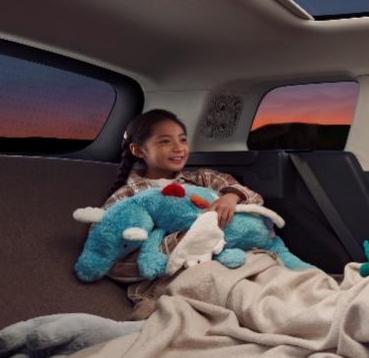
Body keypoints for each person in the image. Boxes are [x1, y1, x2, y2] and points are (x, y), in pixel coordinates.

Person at [102, 109, 266, 317]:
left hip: (231, 260)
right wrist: (183, 241)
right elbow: (108, 256)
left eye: (182, 140)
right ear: (138, 150)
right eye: (165, 141)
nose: (179, 148)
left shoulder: (201, 178)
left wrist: (231, 196)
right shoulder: (127, 198)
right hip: (172, 279)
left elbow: (254, 198)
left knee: (272, 284)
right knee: (247, 301)